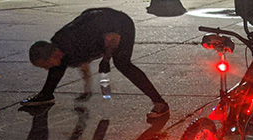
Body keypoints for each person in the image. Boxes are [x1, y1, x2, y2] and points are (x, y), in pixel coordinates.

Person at [22, 8, 170, 120]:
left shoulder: (83, 40)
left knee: (122, 64)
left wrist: (106, 61)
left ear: (54, 54)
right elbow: (80, 61)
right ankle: (46, 95)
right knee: (59, 64)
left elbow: (114, 38)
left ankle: (160, 103)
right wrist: (87, 88)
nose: (47, 69)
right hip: (95, 22)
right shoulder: (58, 43)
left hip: (120, 25)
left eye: (46, 65)